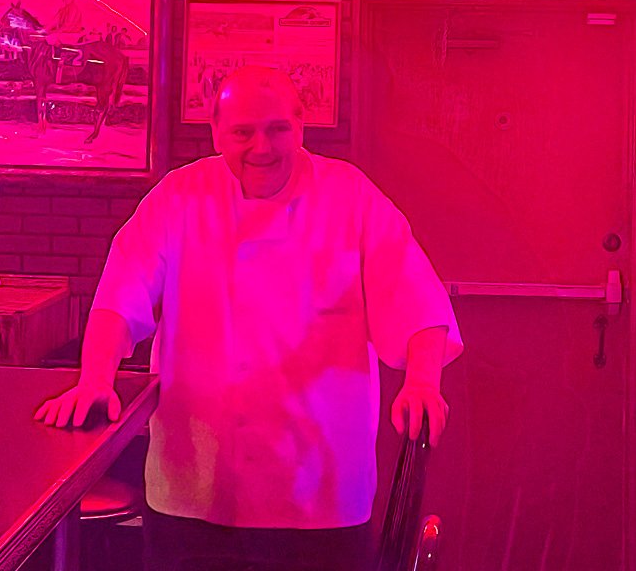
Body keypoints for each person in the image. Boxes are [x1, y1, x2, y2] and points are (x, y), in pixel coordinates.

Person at [35, 66, 462, 571]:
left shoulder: (349, 196)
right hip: (196, 487)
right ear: (216, 132)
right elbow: (121, 293)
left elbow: (416, 297)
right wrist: (95, 378)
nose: (263, 146)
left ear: (301, 126)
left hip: (321, 494)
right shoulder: (180, 197)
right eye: (243, 131)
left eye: (278, 128)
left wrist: (422, 382)